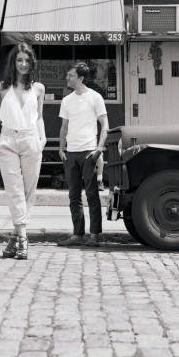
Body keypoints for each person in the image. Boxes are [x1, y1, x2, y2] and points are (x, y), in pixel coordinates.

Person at [0, 42, 46, 260]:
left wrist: (42, 139)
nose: (23, 64)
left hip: (31, 138)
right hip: (8, 140)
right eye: (19, 60)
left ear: (32, 63)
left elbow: (39, 117)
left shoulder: (38, 88)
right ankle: (23, 237)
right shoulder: (1, 88)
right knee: (14, 189)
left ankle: (15, 236)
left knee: (28, 190)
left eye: (27, 60)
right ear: (12, 62)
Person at [58, 62, 109, 247]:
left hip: (89, 152)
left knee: (92, 194)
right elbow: (64, 127)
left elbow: (105, 125)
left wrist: (99, 149)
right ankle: (77, 234)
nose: (67, 78)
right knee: (74, 196)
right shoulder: (67, 100)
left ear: (80, 78)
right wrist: (61, 148)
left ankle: (95, 235)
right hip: (71, 153)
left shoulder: (95, 97)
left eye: (71, 75)